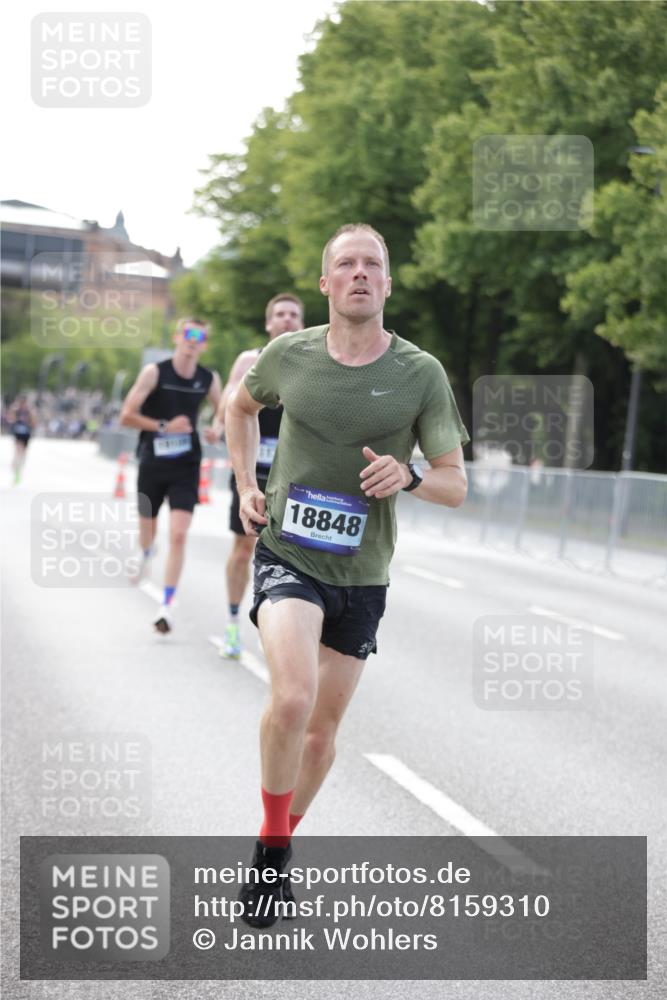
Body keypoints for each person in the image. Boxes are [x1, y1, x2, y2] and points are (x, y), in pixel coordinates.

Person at [226, 223, 469, 926]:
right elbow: (239, 409)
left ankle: (276, 849)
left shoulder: (418, 373)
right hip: (287, 555)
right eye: (345, 264)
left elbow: (455, 484)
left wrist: (410, 473)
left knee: (322, 735)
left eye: (372, 264)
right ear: (326, 283)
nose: (359, 273)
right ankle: (272, 855)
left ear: (386, 285)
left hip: (362, 574)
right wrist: (245, 480)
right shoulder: (287, 356)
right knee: (293, 699)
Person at [215, 294, 304, 659]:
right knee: (242, 549)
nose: (286, 320)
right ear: (269, 323)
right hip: (252, 472)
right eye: (280, 315)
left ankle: (283, 635)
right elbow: (226, 411)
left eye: (293, 315)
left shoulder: (310, 363)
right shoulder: (251, 360)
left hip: (294, 475)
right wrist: (256, 392)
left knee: (293, 559)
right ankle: (233, 623)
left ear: (302, 324)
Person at [120, 318, 222, 633]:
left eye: (200, 336)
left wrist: (215, 429)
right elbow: (126, 415)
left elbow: (223, 410)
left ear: (204, 343)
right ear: (177, 337)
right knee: (148, 530)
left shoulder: (208, 378)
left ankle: (166, 604)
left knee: (178, 533)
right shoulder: (155, 372)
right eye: (188, 334)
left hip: (187, 464)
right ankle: (147, 550)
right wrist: (165, 426)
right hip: (152, 461)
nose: (193, 340)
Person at [7, 394, 36, 485]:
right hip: (18, 433)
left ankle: (19, 467)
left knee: (23, 452)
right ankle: (16, 467)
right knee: (18, 449)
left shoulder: (30, 410)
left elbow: (34, 422)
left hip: (26, 433)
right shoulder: (16, 410)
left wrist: (30, 421)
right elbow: (10, 419)